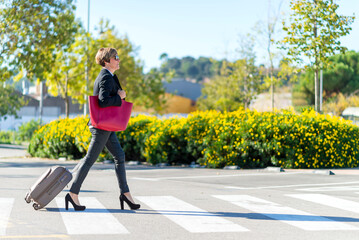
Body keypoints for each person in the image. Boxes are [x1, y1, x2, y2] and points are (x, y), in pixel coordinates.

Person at [65, 47, 140, 211]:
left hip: (107, 125)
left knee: (119, 156)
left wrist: (120, 95)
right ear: (107, 61)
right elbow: (103, 100)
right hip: (101, 127)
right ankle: (72, 194)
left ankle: (125, 194)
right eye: (116, 57)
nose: (119, 60)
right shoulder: (105, 76)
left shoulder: (111, 76)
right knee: (89, 160)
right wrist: (119, 97)